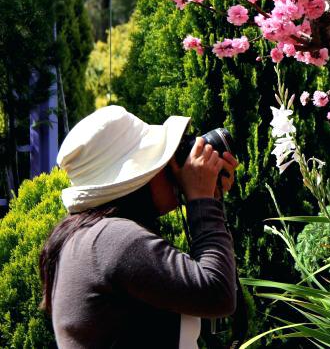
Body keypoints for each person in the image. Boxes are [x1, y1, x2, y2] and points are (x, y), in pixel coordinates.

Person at [39, 105, 240, 348]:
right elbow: (216, 293)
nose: (173, 168)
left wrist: (210, 197)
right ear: (137, 181)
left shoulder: (89, 239)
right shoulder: (113, 240)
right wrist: (201, 199)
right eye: (162, 161)